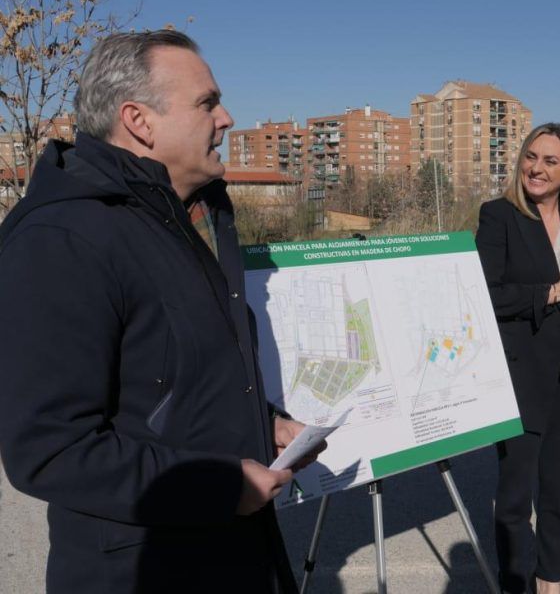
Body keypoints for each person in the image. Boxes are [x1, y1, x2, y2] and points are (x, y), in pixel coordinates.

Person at [0, 30, 323, 593]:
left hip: (232, 552)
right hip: (141, 570)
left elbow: (180, 370)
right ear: (138, 121)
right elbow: (48, 448)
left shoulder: (191, 216)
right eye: (206, 103)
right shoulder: (62, 238)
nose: (226, 118)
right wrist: (218, 486)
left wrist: (263, 422)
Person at [476, 123, 560, 594]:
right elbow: (486, 295)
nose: (536, 168)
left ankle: (549, 578)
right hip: (519, 382)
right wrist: (555, 291)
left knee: (559, 492)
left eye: (550, 160)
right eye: (531, 157)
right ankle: (516, 585)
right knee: (513, 500)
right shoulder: (498, 217)